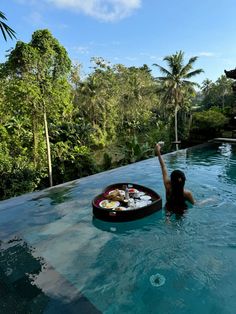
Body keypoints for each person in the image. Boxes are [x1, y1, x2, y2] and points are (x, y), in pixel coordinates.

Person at [155, 143, 195, 214]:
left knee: (168, 212)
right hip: (182, 210)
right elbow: (195, 204)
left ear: (171, 180)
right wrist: (208, 200)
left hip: (168, 208)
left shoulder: (167, 186)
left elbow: (163, 167)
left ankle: (168, 218)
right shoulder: (187, 193)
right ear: (183, 181)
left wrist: (158, 152)